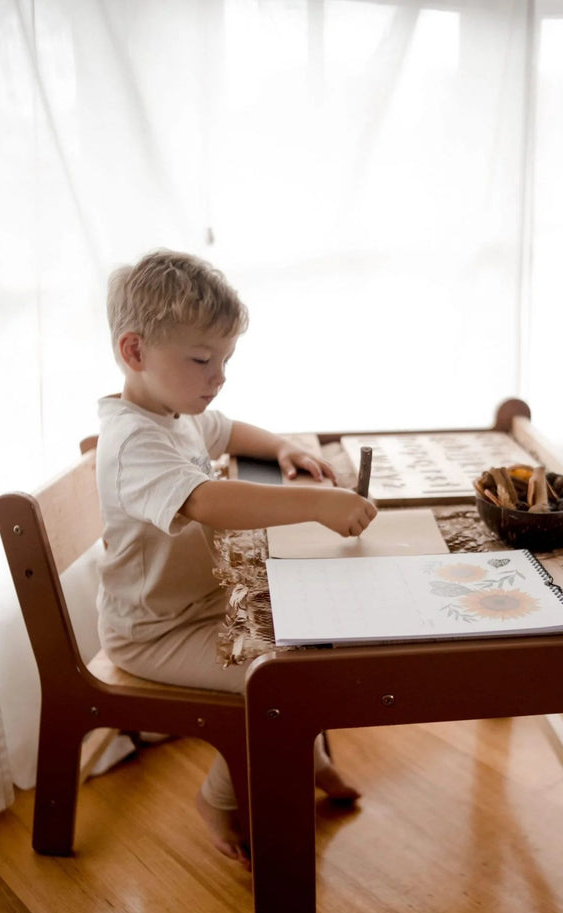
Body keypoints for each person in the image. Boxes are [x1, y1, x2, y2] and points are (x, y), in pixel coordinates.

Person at [96, 249, 377, 866]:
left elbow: (226, 430)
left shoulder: (172, 411)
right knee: (284, 678)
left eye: (224, 360)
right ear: (135, 351)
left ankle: (314, 761)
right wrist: (317, 506)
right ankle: (219, 798)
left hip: (207, 602)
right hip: (155, 631)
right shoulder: (131, 442)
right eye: (202, 360)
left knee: (320, 637)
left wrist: (281, 449)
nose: (217, 376)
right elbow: (205, 501)